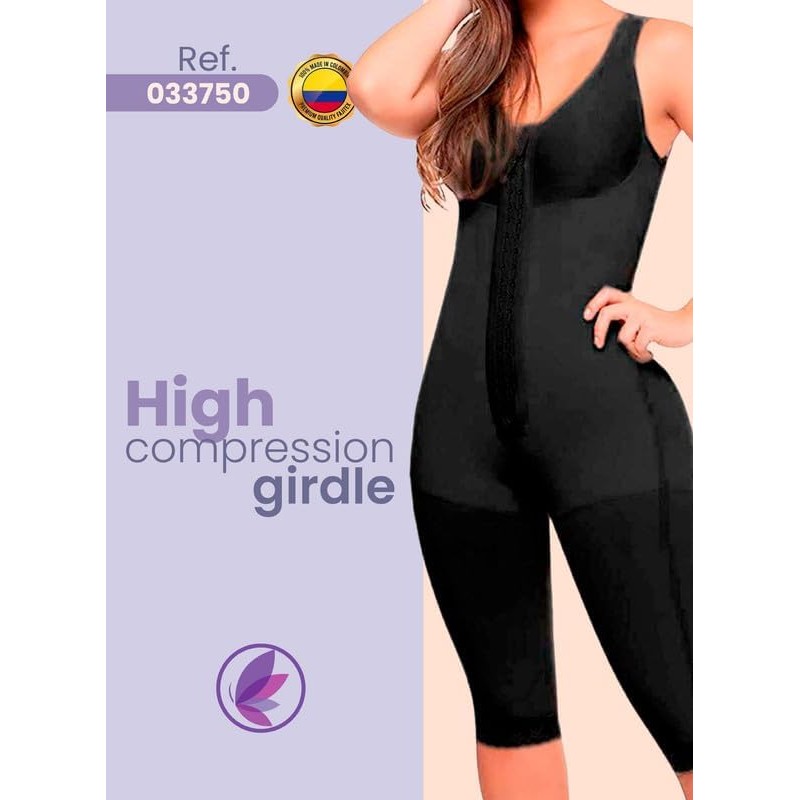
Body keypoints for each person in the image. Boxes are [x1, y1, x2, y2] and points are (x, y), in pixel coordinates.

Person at [349, 1, 693, 798]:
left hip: (607, 431)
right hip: (458, 440)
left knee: (693, 712)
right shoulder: (478, 65)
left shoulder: (663, 51)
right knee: (509, 714)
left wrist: (684, 318)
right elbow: (373, 89)